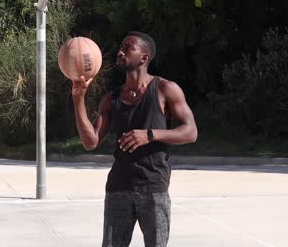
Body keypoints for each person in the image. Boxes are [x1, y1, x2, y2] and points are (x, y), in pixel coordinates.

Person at [71, 31, 198, 247]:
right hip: (118, 187)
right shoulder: (111, 99)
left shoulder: (165, 89)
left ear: (144, 57)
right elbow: (90, 142)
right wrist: (78, 99)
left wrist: (150, 134)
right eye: (121, 47)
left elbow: (191, 132)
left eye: (128, 48)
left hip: (153, 187)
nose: (120, 52)